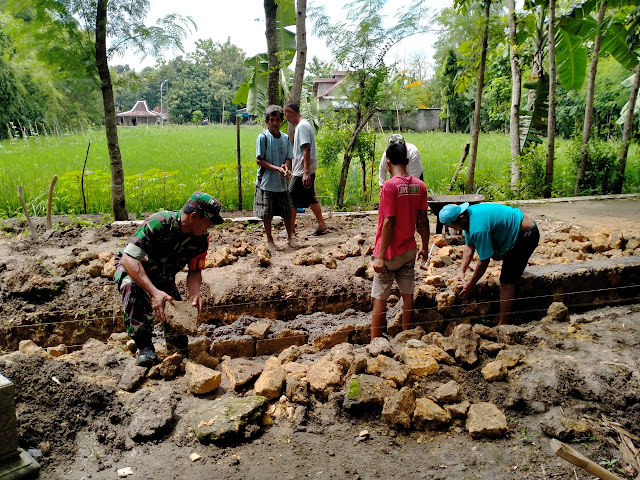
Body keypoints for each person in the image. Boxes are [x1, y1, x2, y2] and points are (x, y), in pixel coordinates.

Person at [114, 192, 224, 366]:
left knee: (179, 341)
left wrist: (194, 294)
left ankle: (177, 353)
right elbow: (128, 259)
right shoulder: (159, 223)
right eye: (208, 221)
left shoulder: (201, 239)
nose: (209, 226)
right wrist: (154, 292)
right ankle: (145, 348)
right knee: (131, 288)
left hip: (163, 275)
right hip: (133, 269)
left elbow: (195, 271)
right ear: (194, 216)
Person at [438, 202, 540, 325]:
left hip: (526, 235)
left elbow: (484, 261)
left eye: (454, 227)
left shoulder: (478, 228)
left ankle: (503, 324)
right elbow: (469, 247)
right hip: (516, 230)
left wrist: (471, 284)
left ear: (461, 218)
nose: (454, 229)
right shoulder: (467, 217)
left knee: (506, 282)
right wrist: (461, 271)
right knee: (508, 269)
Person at [371, 142, 430, 341]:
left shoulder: (389, 186)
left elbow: (388, 222)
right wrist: (425, 247)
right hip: (408, 251)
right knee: (407, 296)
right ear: (406, 160)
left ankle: (375, 342)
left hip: (388, 254)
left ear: (387, 162)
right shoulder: (420, 186)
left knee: (380, 297)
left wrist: (380, 257)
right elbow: (423, 221)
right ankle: (406, 338)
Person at [254, 105, 297, 251]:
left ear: (281, 121)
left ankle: (290, 237)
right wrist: (276, 168)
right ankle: (270, 240)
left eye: (277, 119)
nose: (274, 123)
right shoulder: (263, 137)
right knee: (267, 213)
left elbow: (288, 157)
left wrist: (285, 167)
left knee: (286, 212)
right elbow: (259, 160)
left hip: (281, 183)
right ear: (267, 121)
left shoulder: (285, 138)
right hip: (266, 182)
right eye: (271, 120)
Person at [283, 100, 328, 236]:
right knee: (309, 196)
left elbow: (306, 149)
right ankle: (321, 223)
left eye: (286, 114)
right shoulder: (305, 125)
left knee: (290, 197)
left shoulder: (302, 127)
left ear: (290, 112)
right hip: (304, 169)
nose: (286, 118)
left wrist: (305, 172)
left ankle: (290, 228)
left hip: (302, 170)